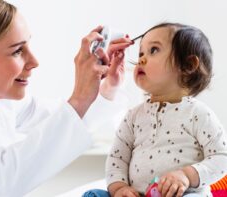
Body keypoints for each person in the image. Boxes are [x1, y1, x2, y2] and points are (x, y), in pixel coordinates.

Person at [0, 0, 134, 196]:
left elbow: (66, 123)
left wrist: (108, 88)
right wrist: (80, 97)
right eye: (17, 51)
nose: (34, 62)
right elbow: (2, 178)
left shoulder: (1, 101)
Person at [83, 22, 227, 197]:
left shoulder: (199, 114)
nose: (141, 59)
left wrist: (186, 175)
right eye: (140, 53)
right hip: (138, 194)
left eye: (153, 50)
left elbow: (222, 157)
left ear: (188, 65)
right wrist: (119, 188)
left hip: (184, 193)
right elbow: (117, 158)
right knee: (93, 195)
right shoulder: (133, 117)